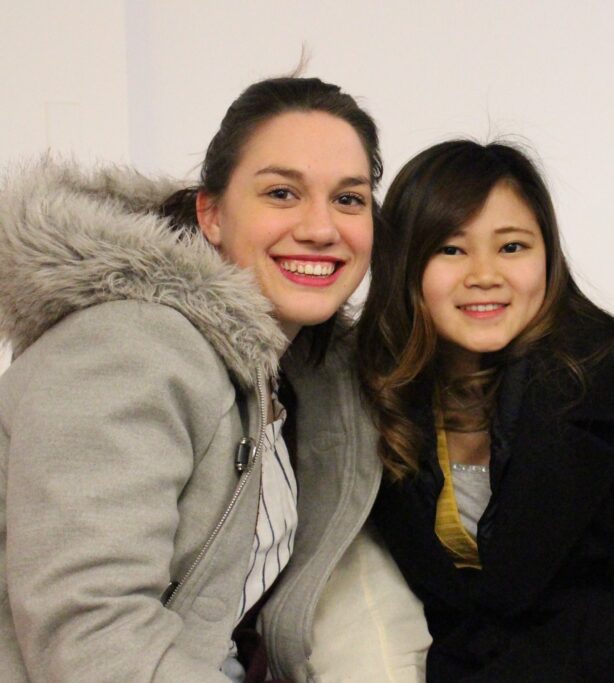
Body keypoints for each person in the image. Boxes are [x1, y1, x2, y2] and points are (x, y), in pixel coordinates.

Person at [0, 76, 384, 682]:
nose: (321, 227)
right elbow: (91, 635)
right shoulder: (129, 346)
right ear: (211, 214)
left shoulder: (281, 374)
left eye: (349, 199)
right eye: (282, 193)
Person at [358, 139, 614, 681]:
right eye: (451, 249)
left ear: (548, 256)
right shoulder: (369, 391)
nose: (485, 274)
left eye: (512, 247)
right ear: (404, 263)